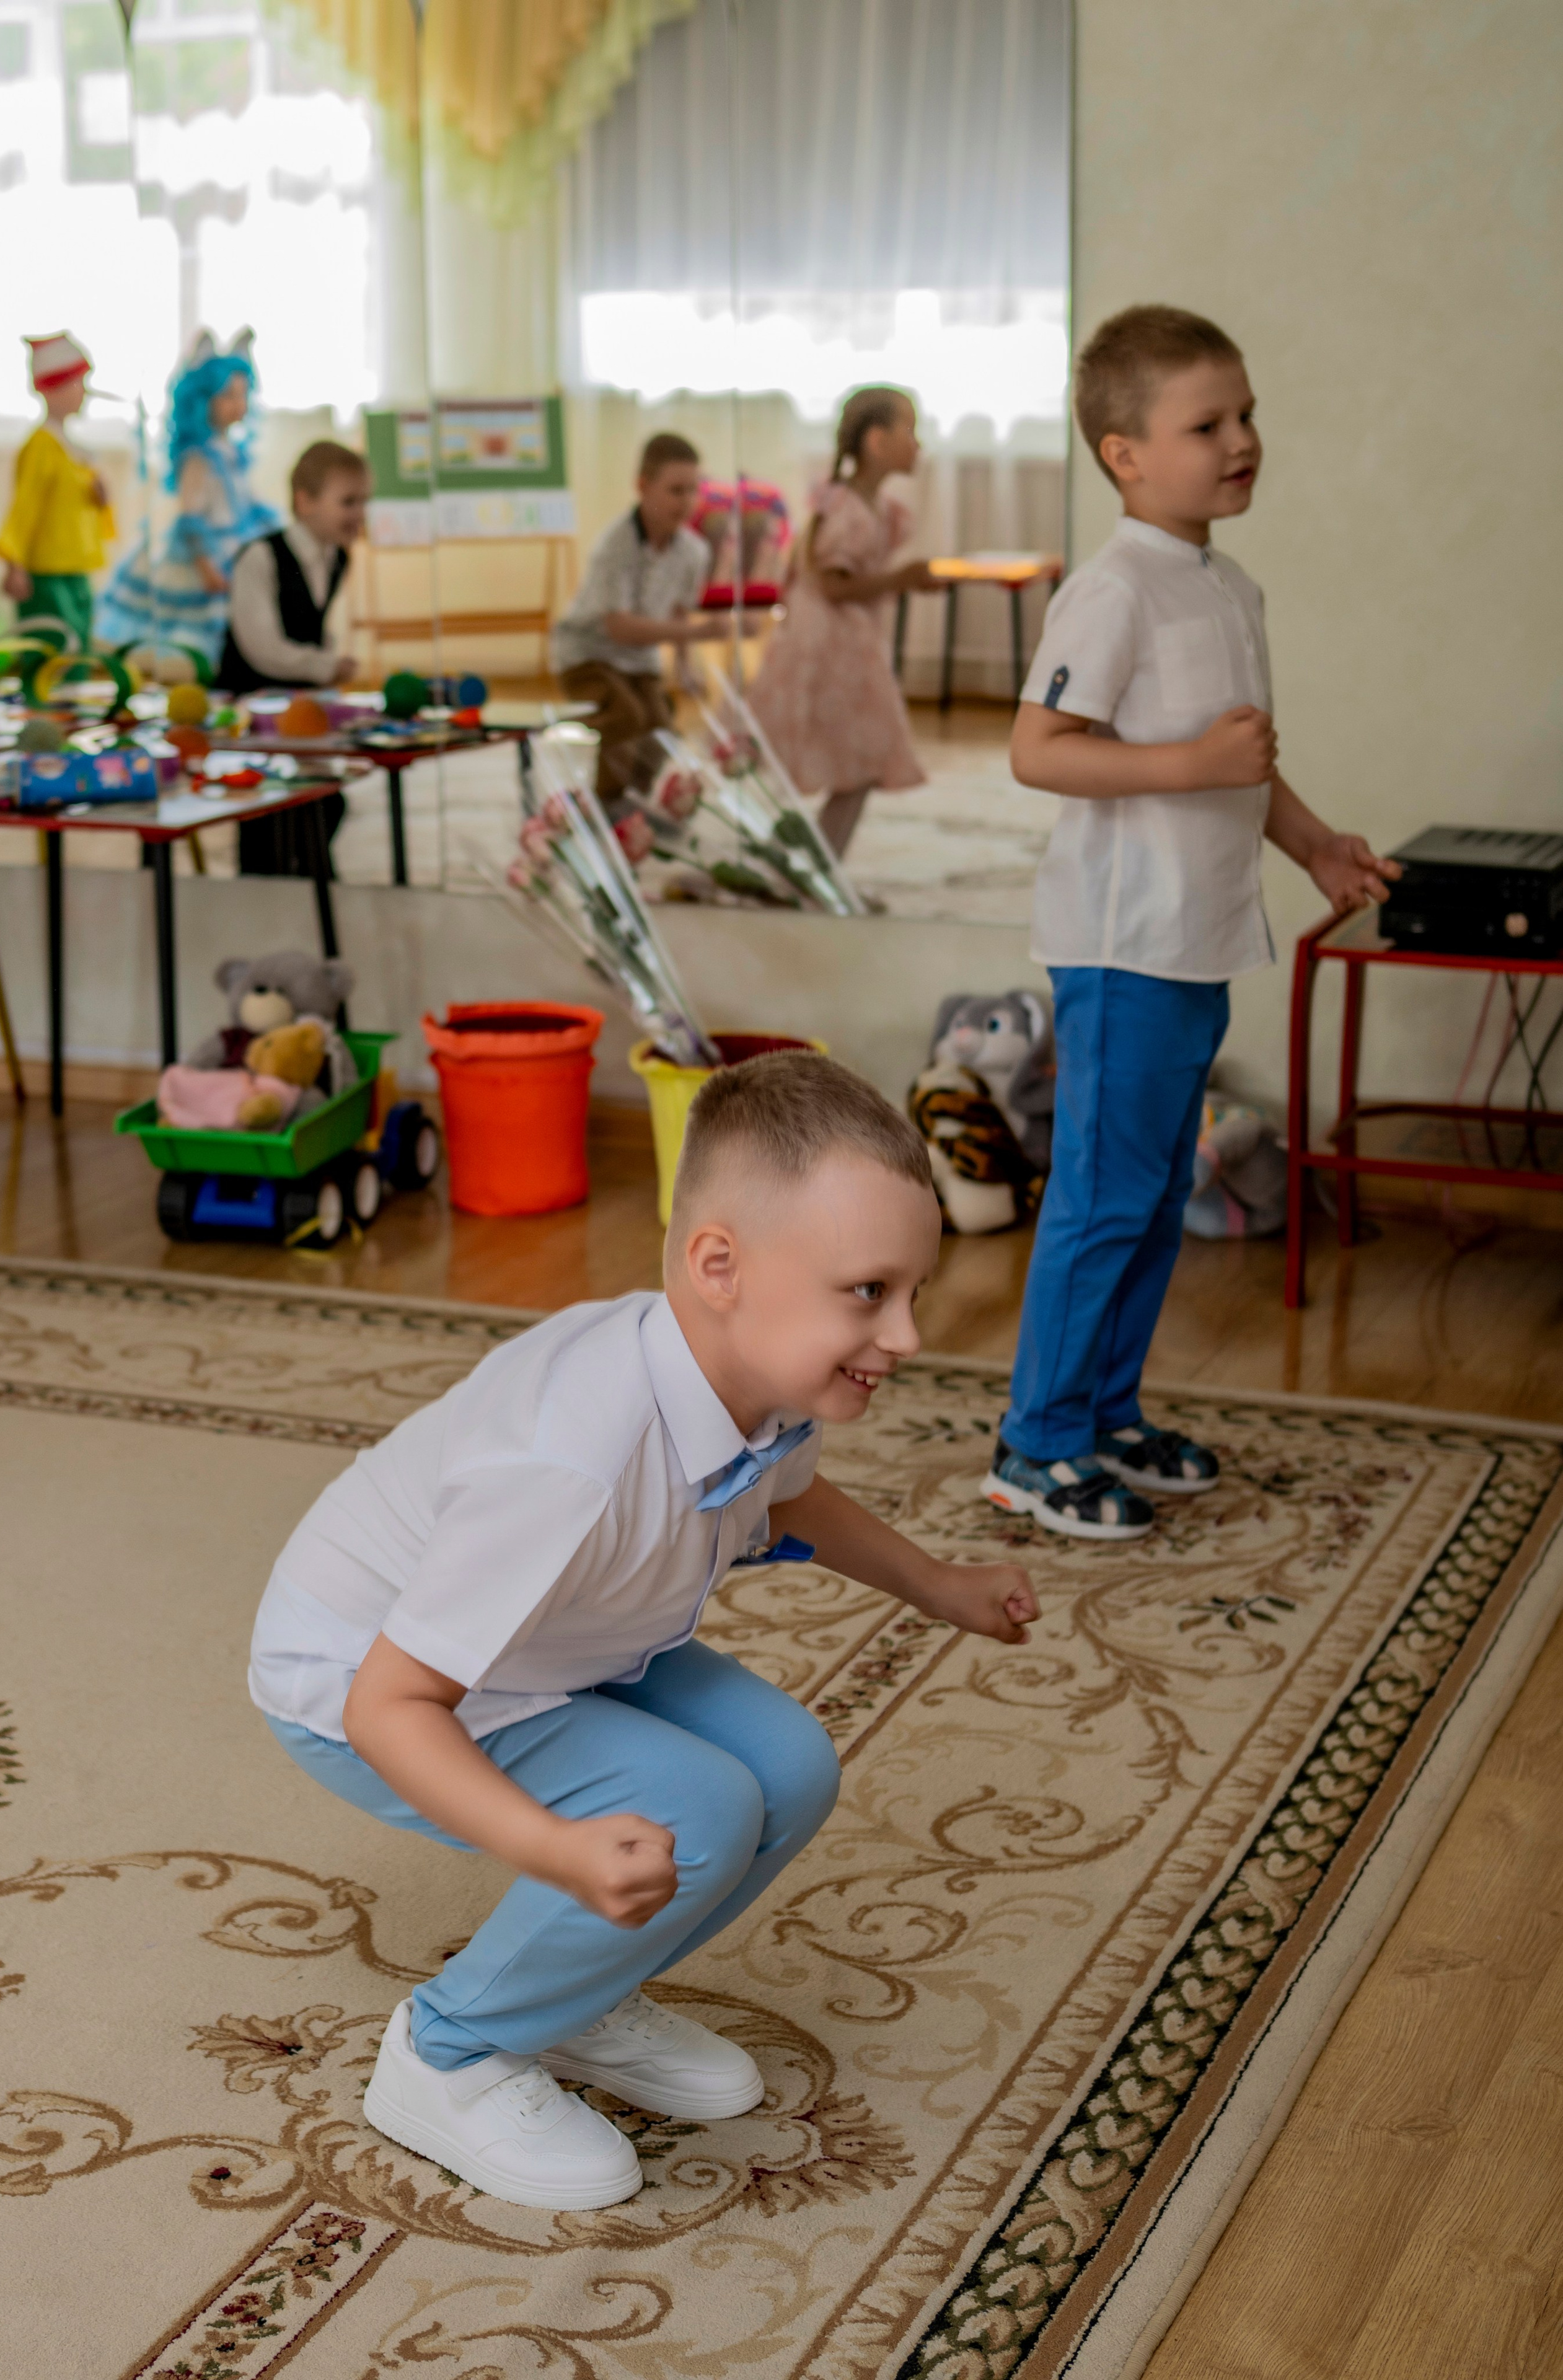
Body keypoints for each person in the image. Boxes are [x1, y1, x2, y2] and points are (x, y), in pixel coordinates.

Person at [247, 1051, 1038, 2210]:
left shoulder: (757, 1375)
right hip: (365, 1680)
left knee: (791, 1765)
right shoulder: (569, 1456)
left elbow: (793, 1501)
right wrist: (556, 1851)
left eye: (913, 1292)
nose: (908, 1334)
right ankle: (447, 2052)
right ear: (720, 1265)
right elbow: (387, 1706)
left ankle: (570, 1996)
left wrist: (942, 1584)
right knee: (700, 1805)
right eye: (870, 1293)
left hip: (558, 1641)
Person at [982, 306, 1400, 1543]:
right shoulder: (1112, 591)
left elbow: (1239, 764)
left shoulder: (1222, 582)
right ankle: (1032, 1444)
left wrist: (1314, 843)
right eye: (1206, 423)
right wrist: (1188, 760)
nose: (1240, 441)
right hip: (1122, 945)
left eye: (1246, 415)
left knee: (1153, 1195)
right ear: (1123, 453)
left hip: (1196, 935)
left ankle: (1103, 1412)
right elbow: (1035, 750)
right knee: (1100, 1200)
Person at [745, 386, 942, 858]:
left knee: (863, 761)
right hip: (829, 647)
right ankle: (810, 863)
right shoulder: (849, 511)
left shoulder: (871, 509)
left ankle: (813, 862)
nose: (918, 444)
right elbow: (833, 585)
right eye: (909, 431)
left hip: (848, 644)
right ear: (877, 441)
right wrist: (901, 578)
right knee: (864, 757)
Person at [217, 438, 368, 876]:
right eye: (348, 502)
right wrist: (324, 667)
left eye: (364, 502)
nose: (360, 515)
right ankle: (269, 892)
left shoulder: (338, 557)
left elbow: (314, 628)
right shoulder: (260, 558)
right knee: (267, 817)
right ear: (306, 503)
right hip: (250, 708)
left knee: (324, 804)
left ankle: (314, 887)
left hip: (297, 709)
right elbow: (262, 649)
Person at [96, 329, 276, 672]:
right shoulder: (197, 458)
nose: (238, 404)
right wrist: (206, 565)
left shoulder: (232, 453)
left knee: (237, 626)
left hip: (235, 549)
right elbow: (190, 518)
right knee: (197, 634)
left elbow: (245, 504)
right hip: (206, 558)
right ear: (201, 400)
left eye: (242, 395)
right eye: (227, 396)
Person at [552, 433, 717, 806]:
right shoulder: (616, 545)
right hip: (587, 655)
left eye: (694, 490)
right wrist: (699, 631)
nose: (688, 502)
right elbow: (619, 627)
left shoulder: (694, 552)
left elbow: (678, 610)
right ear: (643, 486)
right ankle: (604, 803)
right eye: (676, 490)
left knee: (661, 727)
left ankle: (635, 800)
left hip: (639, 660)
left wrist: (685, 664)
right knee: (628, 716)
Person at [0, 333, 115, 673]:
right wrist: (14, 563)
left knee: (79, 646)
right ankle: (48, 714)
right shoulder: (41, 446)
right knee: (52, 650)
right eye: (78, 383)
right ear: (53, 388)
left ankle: (74, 711)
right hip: (46, 572)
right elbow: (25, 506)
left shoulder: (72, 449)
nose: (85, 392)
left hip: (74, 567)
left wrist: (99, 498)